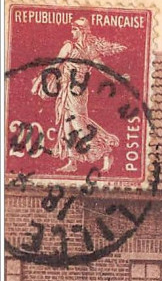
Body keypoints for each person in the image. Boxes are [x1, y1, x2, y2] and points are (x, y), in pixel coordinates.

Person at [31, 17, 125, 173]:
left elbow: (101, 67)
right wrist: (38, 82)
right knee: (67, 123)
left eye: (75, 29)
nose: (72, 32)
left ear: (82, 31)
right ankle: (72, 160)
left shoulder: (89, 49)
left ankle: (106, 152)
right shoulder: (69, 46)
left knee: (79, 123)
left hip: (79, 90)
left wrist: (117, 77)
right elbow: (55, 65)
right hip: (66, 89)